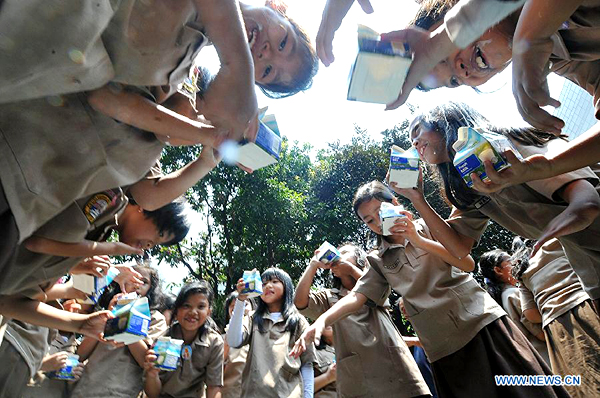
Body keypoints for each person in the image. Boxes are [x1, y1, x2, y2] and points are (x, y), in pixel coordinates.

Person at [292, 181, 568, 398]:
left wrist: (416, 238)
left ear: (396, 203)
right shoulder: (378, 259)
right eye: (368, 220)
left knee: (527, 387)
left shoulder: (428, 226)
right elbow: (357, 297)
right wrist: (323, 321)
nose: (377, 222)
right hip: (442, 345)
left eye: (380, 212)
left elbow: (466, 261)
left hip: (480, 321)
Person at [402, 102, 600, 311]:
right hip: (583, 248)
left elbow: (556, 162)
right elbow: (459, 248)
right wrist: (416, 199)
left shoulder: (498, 140)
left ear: (442, 120)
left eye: (417, 131)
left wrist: (582, 201)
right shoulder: (467, 185)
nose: (414, 143)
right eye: (410, 140)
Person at [294, 242, 431, 397]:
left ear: (362, 260)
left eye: (345, 252)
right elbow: (300, 302)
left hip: (393, 366)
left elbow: (369, 287)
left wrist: (351, 270)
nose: (339, 255)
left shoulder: (377, 278)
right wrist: (313, 265)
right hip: (358, 378)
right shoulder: (328, 297)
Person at [511, 238, 600, 398]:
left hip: (555, 326)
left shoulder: (521, 271)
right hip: (586, 305)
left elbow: (530, 313)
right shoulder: (558, 240)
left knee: (585, 383)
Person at [71, 264, 167, 398]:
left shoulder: (155, 318)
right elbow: (81, 354)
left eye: (144, 282)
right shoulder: (105, 312)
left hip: (120, 392)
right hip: (85, 389)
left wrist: (125, 318)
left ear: (150, 289)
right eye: (132, 278)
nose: (137, 284)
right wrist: (110, 316)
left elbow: (145, 360)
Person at [227, 268, 316, 398]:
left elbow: (307, 364)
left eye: (275, 281)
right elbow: (233, 341)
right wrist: (241, 300)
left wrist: (308, 396)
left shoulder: (298, 322)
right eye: (263, 284)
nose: (268, 286)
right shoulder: (252, 319)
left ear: (287, 287)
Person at [143, 281, 224, 398]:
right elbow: (153, 393)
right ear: (176, 310)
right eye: (186, 306)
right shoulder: (162, 341)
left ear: (209, 312)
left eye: (201, 307)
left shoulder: (214, 343)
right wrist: (152, 374)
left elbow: (214, 387)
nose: (193, 312)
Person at [478, 248, 551, 364]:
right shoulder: (514, 294)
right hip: (546, 353)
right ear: (498, 270)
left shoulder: (502, 298)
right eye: (510, 261)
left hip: (534, 358)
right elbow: (540, 333)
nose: (516, 262)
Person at [221, 291, 253, 398]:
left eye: (245, 304)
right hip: (230, 393)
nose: (240, 308)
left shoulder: (261, 335)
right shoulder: (220, 339)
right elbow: (214, 370)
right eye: (233, 306)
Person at [313, 326, 337, 397]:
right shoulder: (312, 352)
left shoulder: (357, 349)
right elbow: (299, 388)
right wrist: (328, 377)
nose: (328, 322)